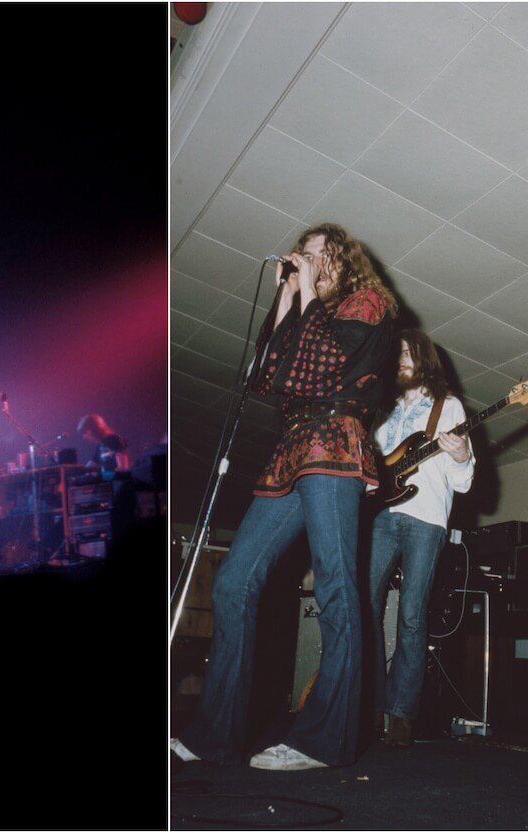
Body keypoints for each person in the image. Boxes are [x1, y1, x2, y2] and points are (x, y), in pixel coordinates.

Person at [171, 222, 397, 770]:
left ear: (342, 261)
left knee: (337, 586)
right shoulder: (310, 303)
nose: (304, 260)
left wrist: (311, 295)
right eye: (302, 254)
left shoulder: (366, 303)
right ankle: (215, 734)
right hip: (293, 447)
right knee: (233, 580)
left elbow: (323, 369)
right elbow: (269, 374)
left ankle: (325, 740)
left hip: (335, 443)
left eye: (316, 255)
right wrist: (288, 296)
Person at [367, 330, 474, 747]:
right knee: (366, 605)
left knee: (412, 615)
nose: (400, 363)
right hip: (381, 516)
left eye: (407, 355)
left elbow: (462, 483)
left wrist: (462, 455)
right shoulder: (385, 410)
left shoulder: (449, 407)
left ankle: (400, 714)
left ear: (425, 359)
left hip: (425, 518)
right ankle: (371, 705)